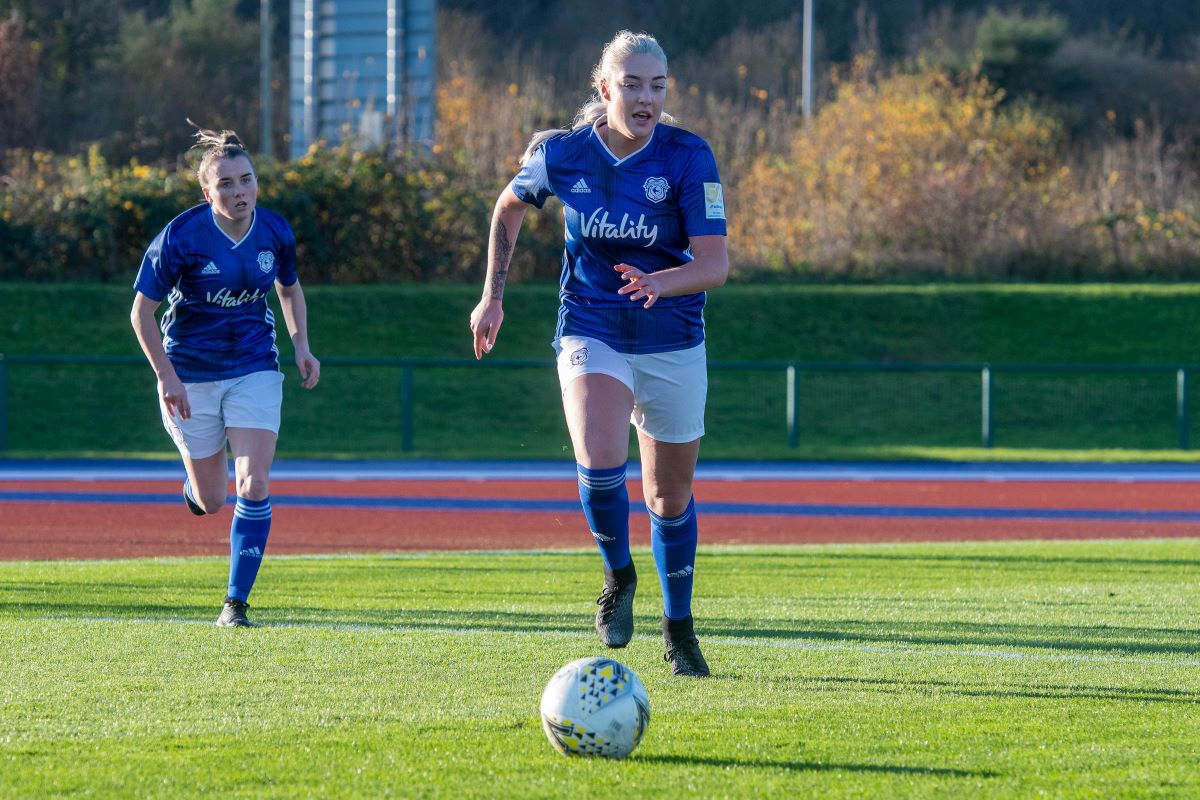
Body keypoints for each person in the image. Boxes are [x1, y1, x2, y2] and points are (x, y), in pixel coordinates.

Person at [469, 31, 729, 677]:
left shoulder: (689, 156)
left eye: (657, 85)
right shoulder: (562, 155)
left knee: (668, 496)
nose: (646, 97)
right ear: (604, 88)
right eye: (633, 84)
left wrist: (661, 282)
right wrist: (492, 298)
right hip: (592, 327)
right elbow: (507, 210)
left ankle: (680, 630)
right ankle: (619, 577)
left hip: (673, 340)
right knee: (600, 455)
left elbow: (715, 264)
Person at [131, 122, 320, 628]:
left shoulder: (275, 230)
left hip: (254, 366)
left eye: (247, 179)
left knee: (253, 482)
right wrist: (167, 377)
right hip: (189, 372)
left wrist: (301, 344)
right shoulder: (181, 237)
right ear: (206, 191)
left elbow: (289, 288)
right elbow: (140, 314)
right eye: (227, 184)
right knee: (214, 500)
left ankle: (234, 604)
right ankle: (196, 491)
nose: (240, 192)